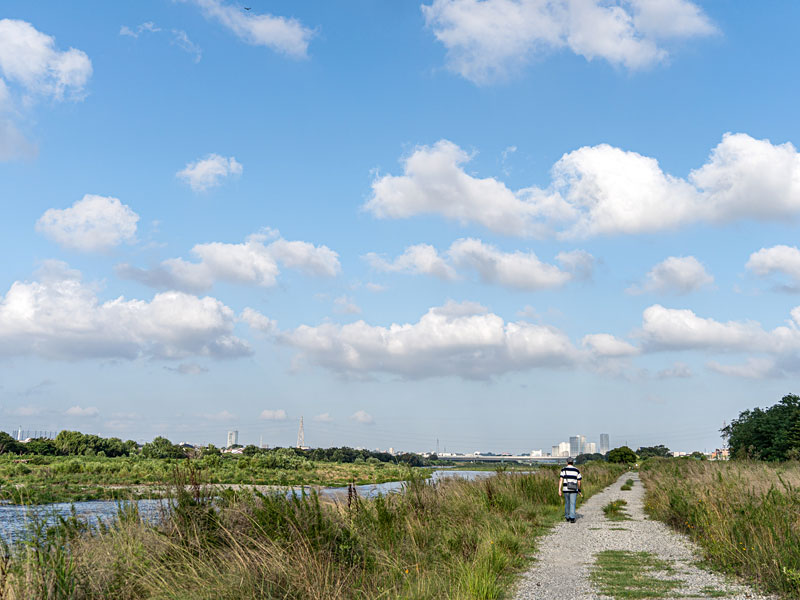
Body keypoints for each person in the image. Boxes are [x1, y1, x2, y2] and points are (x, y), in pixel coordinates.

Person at [558, 458, 582, 523]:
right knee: (573, 503)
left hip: (566, 489)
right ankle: (572, 518)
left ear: (567, 462)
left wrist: (559, 489)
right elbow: (579, 481)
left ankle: (567, 516)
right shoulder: (576, 470)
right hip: (574, 489)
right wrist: (579, 489)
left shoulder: (563, 469)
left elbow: (561, 480)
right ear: (573, 462)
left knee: (567, 503)